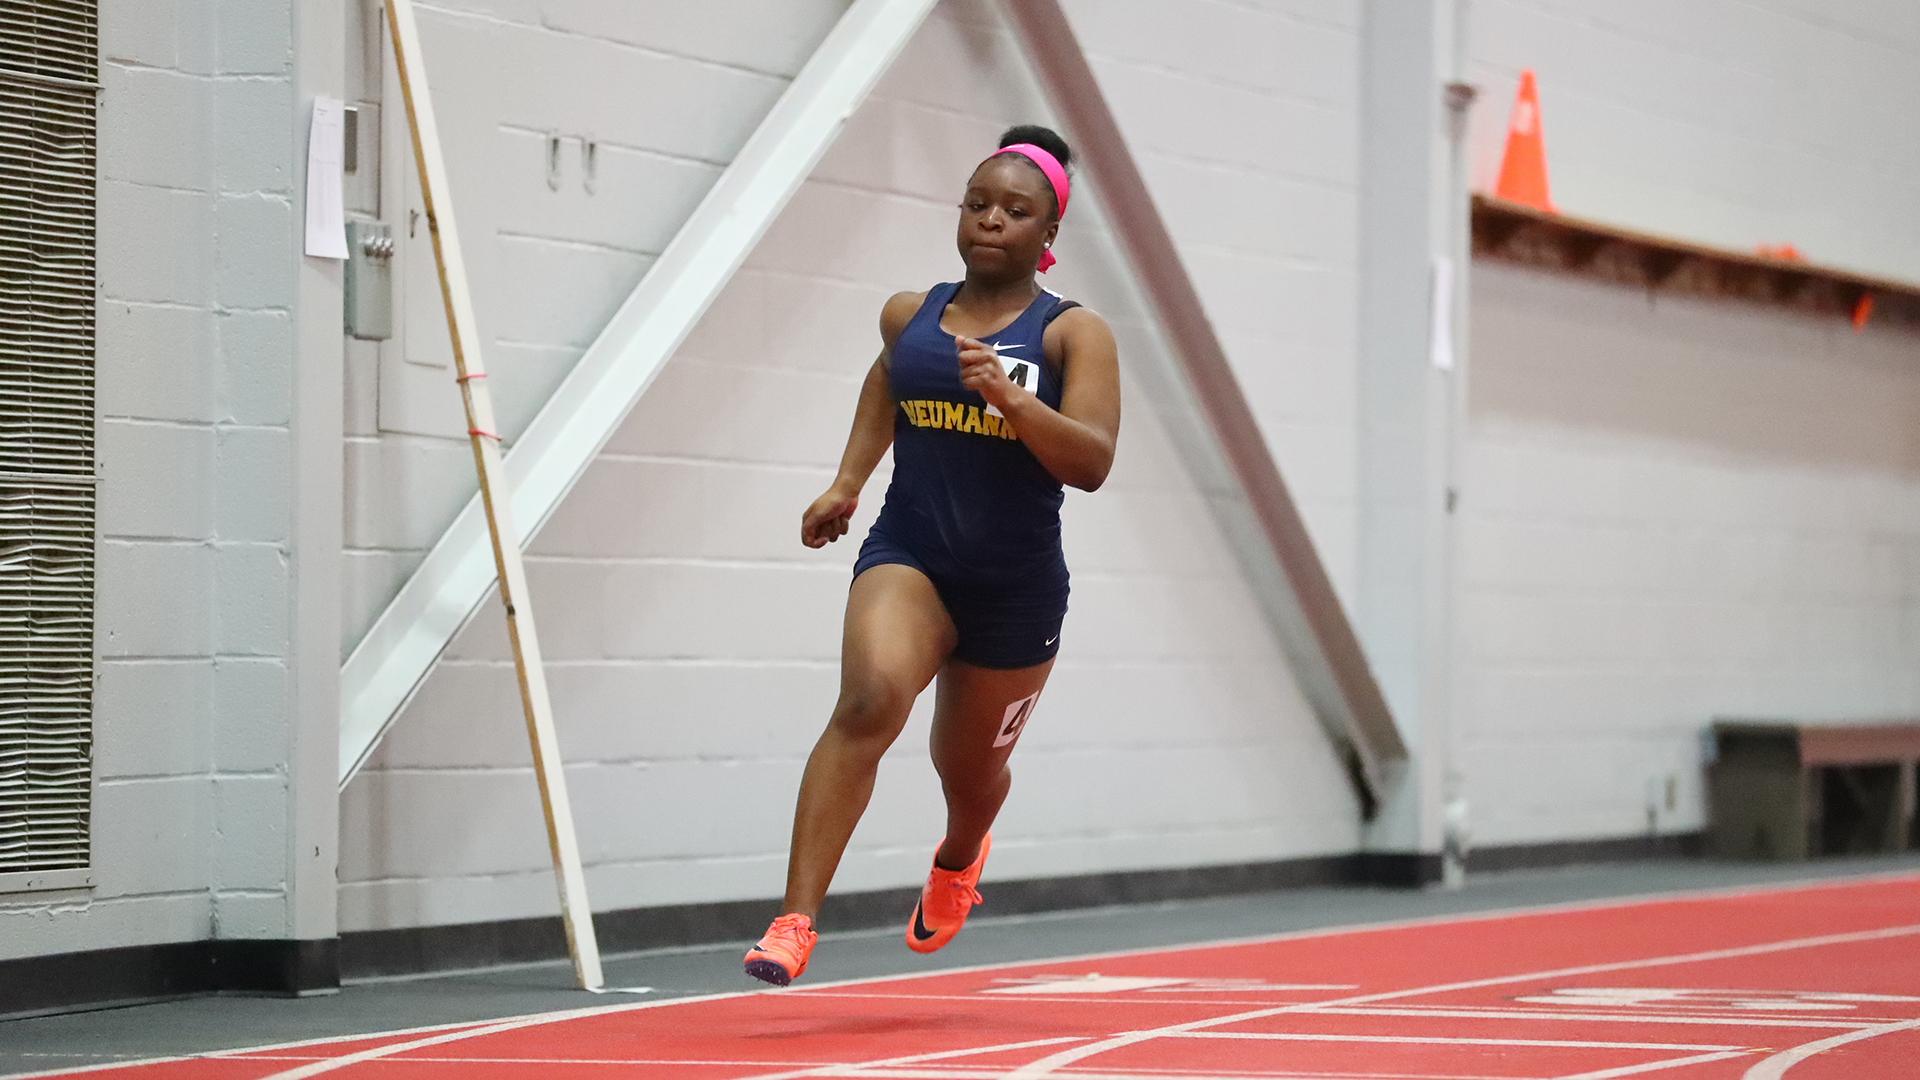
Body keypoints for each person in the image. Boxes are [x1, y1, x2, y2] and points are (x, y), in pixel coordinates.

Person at [743, 125, 1122, 986]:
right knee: (870, 699)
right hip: (911, 554)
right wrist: (846, 482)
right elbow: (891, 376)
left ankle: (959, 857)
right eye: (977, 203)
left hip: (1016, 588)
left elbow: (1092, 462)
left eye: (1015, 211)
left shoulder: (1072, 335)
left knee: (969, 769)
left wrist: (1010, 399)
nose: (991, 220)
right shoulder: (910, 315)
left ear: (1047, 235)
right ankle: (794, 920)